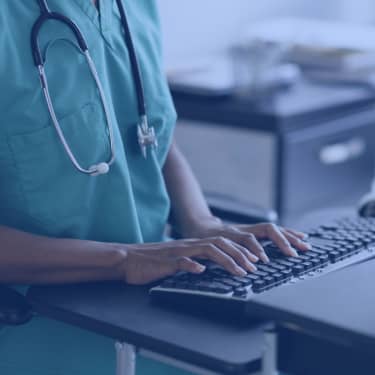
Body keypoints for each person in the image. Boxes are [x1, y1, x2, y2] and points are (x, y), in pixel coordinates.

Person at [0, 1, 310, 374]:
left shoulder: (133, 8)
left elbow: (152, 135)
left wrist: (201, 221)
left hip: (161, 309)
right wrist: (125, 258)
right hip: (45, 328)